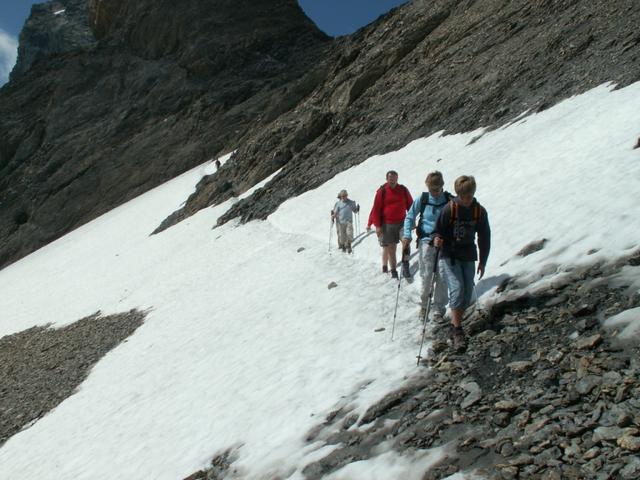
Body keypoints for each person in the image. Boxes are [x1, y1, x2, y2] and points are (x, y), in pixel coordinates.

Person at [433, 175, 490, 352]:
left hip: (468, 255)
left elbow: (485, 237)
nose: (466, 199)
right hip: (449, 255)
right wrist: (436, 239)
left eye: (469, 196)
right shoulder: (449, 209)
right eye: (463, 196)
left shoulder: (478, 211)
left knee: (466, 294)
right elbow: (438, 231)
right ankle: (457, 330)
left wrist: (483, 261)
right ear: (458, 193)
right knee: (457, 289)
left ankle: (454, 322)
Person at [401, 171, 451, 322]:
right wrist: (407, 235)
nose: (434, 193)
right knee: (427, 275)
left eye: (437, 189)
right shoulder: (422, 199)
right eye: (431, 189)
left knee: (442, 276)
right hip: (426, 241)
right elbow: (410, 216)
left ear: (442, 186)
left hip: (444, 242)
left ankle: (438, 309)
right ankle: (424, 306)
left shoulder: (449, 200)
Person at [367, 170, 413, 279]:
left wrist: (412, 221)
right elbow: (376, 210)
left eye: (394, 179)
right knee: (391, 249)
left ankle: (405, 264)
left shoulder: (403, 189)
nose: (392, 181)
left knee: (406, 242)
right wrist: (377, 226)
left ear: (397, 179)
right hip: (387, 225)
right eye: (390, 179)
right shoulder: (382, 191)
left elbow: (411, 206)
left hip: (402, 222)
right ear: (386, 179)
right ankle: (393, 271)